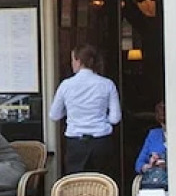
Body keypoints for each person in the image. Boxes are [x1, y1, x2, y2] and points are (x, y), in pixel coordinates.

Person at [48, 44, 122, 177]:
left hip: (76, 144)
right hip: (101, 142)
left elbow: (54, 115)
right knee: (102, 183)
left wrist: (70, 111)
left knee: (76, 184)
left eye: (72, 60)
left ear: (78, 61)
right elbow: (115, 118)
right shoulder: (107, 84)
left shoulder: (66, 85)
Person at [134, 101, 168, 188]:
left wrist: (167, 165)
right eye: (162, 123)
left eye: (166, 122)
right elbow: (139, 164)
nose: (164, 127)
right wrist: (149, 165)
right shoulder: (153, 134)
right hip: (154, 183)